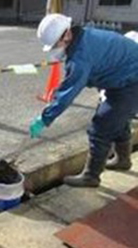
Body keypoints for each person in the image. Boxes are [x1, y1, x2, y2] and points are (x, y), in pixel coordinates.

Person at [30, 13, 138, 187]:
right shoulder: (84, 37)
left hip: (131, 82)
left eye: (55, 44)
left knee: (101, 127)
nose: (54, 49)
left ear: (66, 34)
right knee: (117, 119)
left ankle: (91, 176)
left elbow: (68, 93)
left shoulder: (80, 57)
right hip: (123, 79)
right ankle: (123, 160)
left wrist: (44, 118)